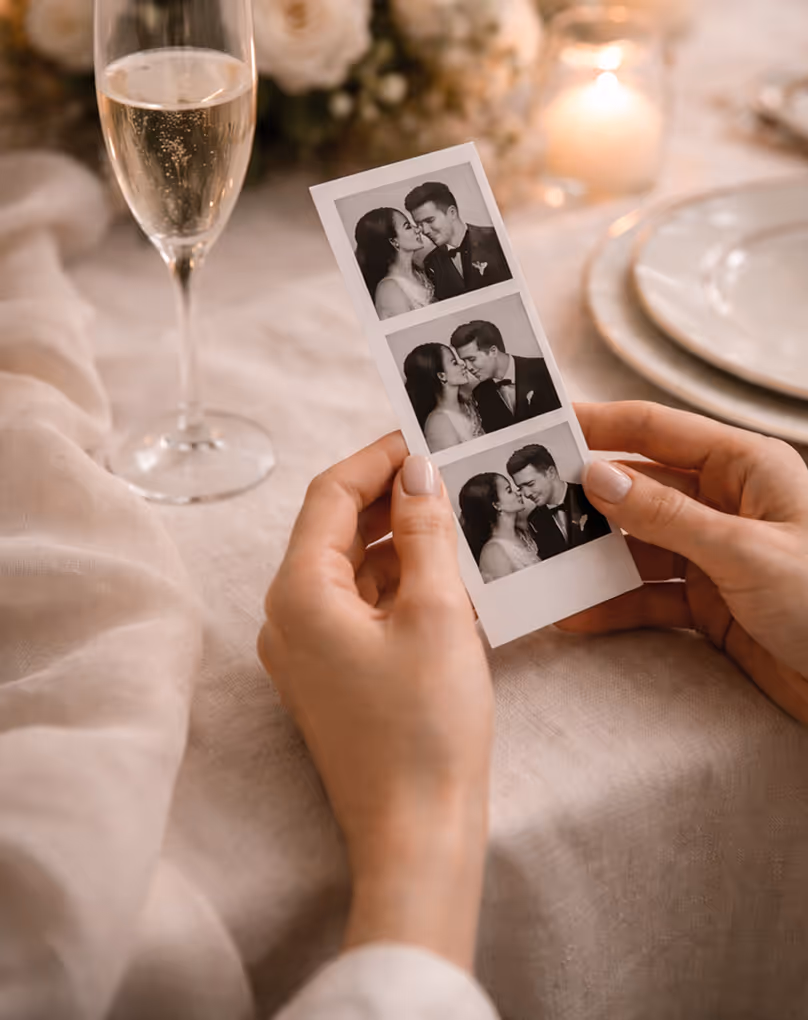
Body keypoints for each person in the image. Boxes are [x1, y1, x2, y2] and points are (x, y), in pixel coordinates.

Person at [260, 401, 808, 1016]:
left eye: (522, 482)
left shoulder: (550, 524)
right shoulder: (503, 546)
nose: (521, 491)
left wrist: (417, 810)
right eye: (509, 486)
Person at [404, 182, 511, 301]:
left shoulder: (496, 239)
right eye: (419, 224)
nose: (425, 230)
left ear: (452, 213)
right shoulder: (431, 263)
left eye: (430, 220)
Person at [451, 320, 561, 434]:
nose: (468, 367)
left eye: (472, 359)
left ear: (493, 351)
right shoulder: (479, 393)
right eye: (464, 361)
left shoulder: (544, 368)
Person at [507, 443, 611, 559]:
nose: (526, 494)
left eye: (530, 484)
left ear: (551, 473)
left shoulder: (588, 495)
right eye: (520, 488)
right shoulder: (534, 520)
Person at [459, 472, 541, 583]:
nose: (518, 493)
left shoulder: (525, 532)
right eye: (509, 490)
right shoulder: (493, 553)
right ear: (496, 505)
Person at [354, 207, 435, 319]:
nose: (417, 229)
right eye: (408, 227)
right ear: (394, 241)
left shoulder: (420, 272)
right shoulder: (389, 290)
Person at [404, 342, 485, 453]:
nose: (463, 364)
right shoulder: (439, 424)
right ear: (442, 376)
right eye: (454, 362)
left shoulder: (468, 402)